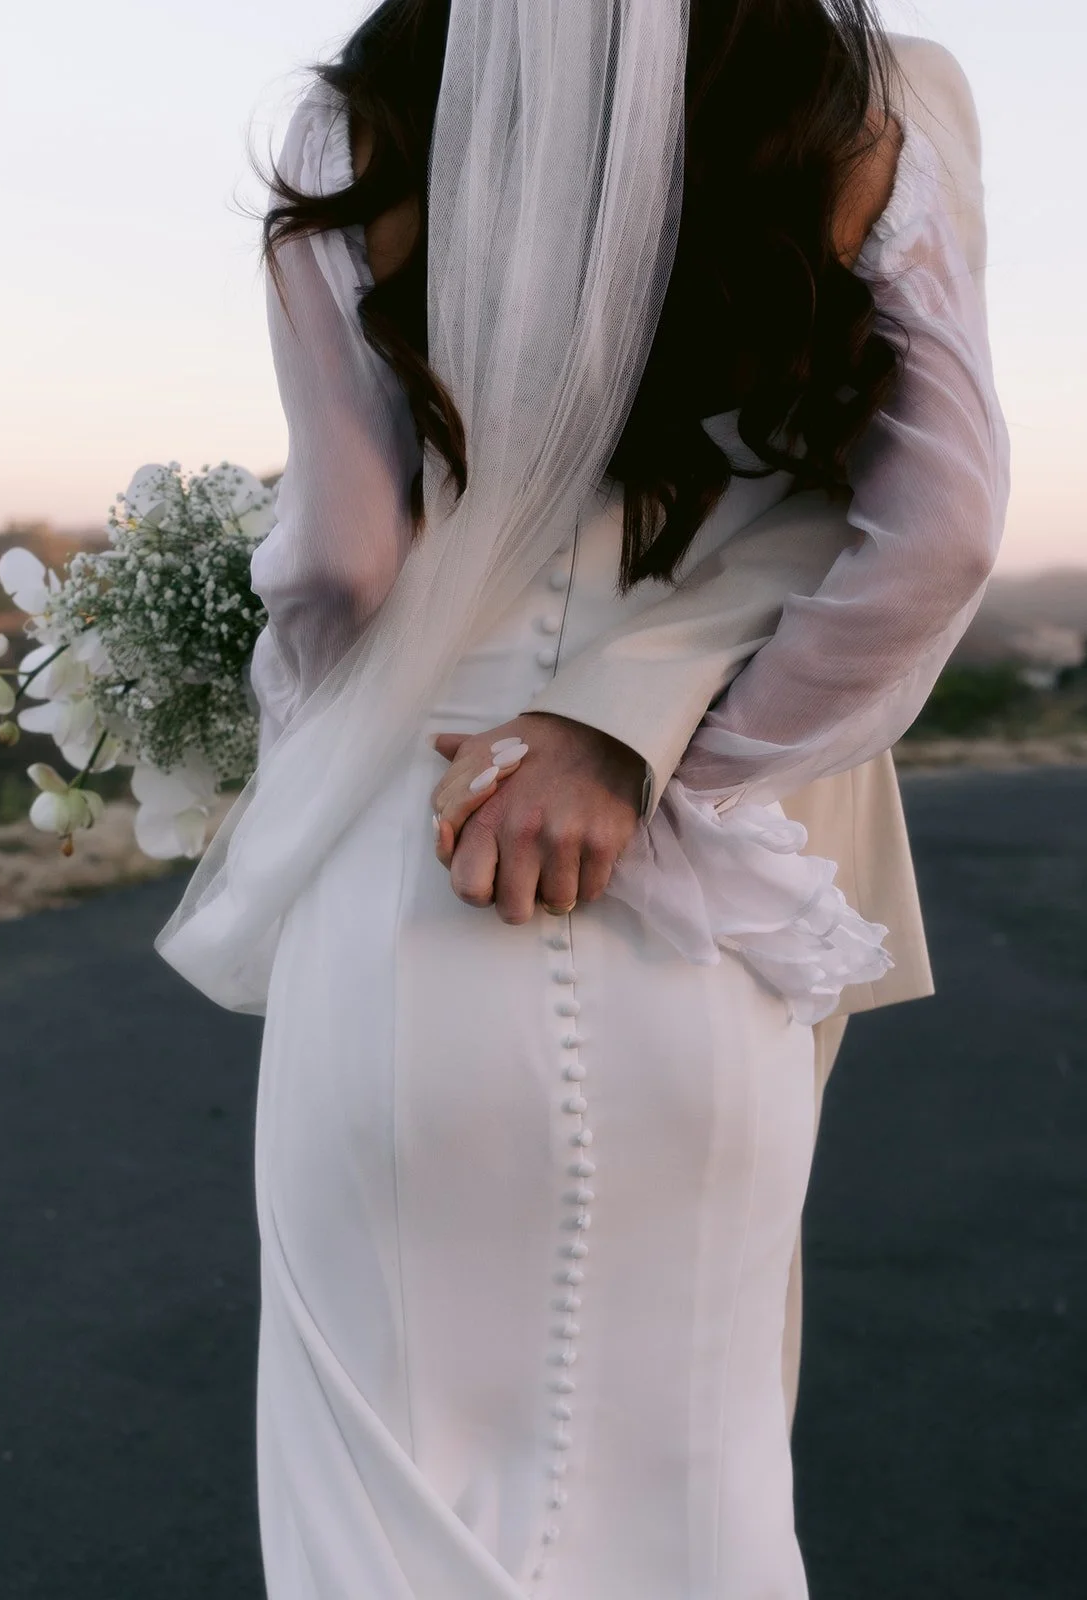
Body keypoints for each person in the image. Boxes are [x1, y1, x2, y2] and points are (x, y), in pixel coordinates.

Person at [157, 2, 1009, 1594]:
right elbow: (941, 535)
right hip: (695, 945)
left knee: (381, 1520)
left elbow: (340, 570)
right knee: (698, 1497)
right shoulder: (866, 111)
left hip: (408, 885)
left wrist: (314, 732)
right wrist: (679, 767)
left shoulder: (352, 128)